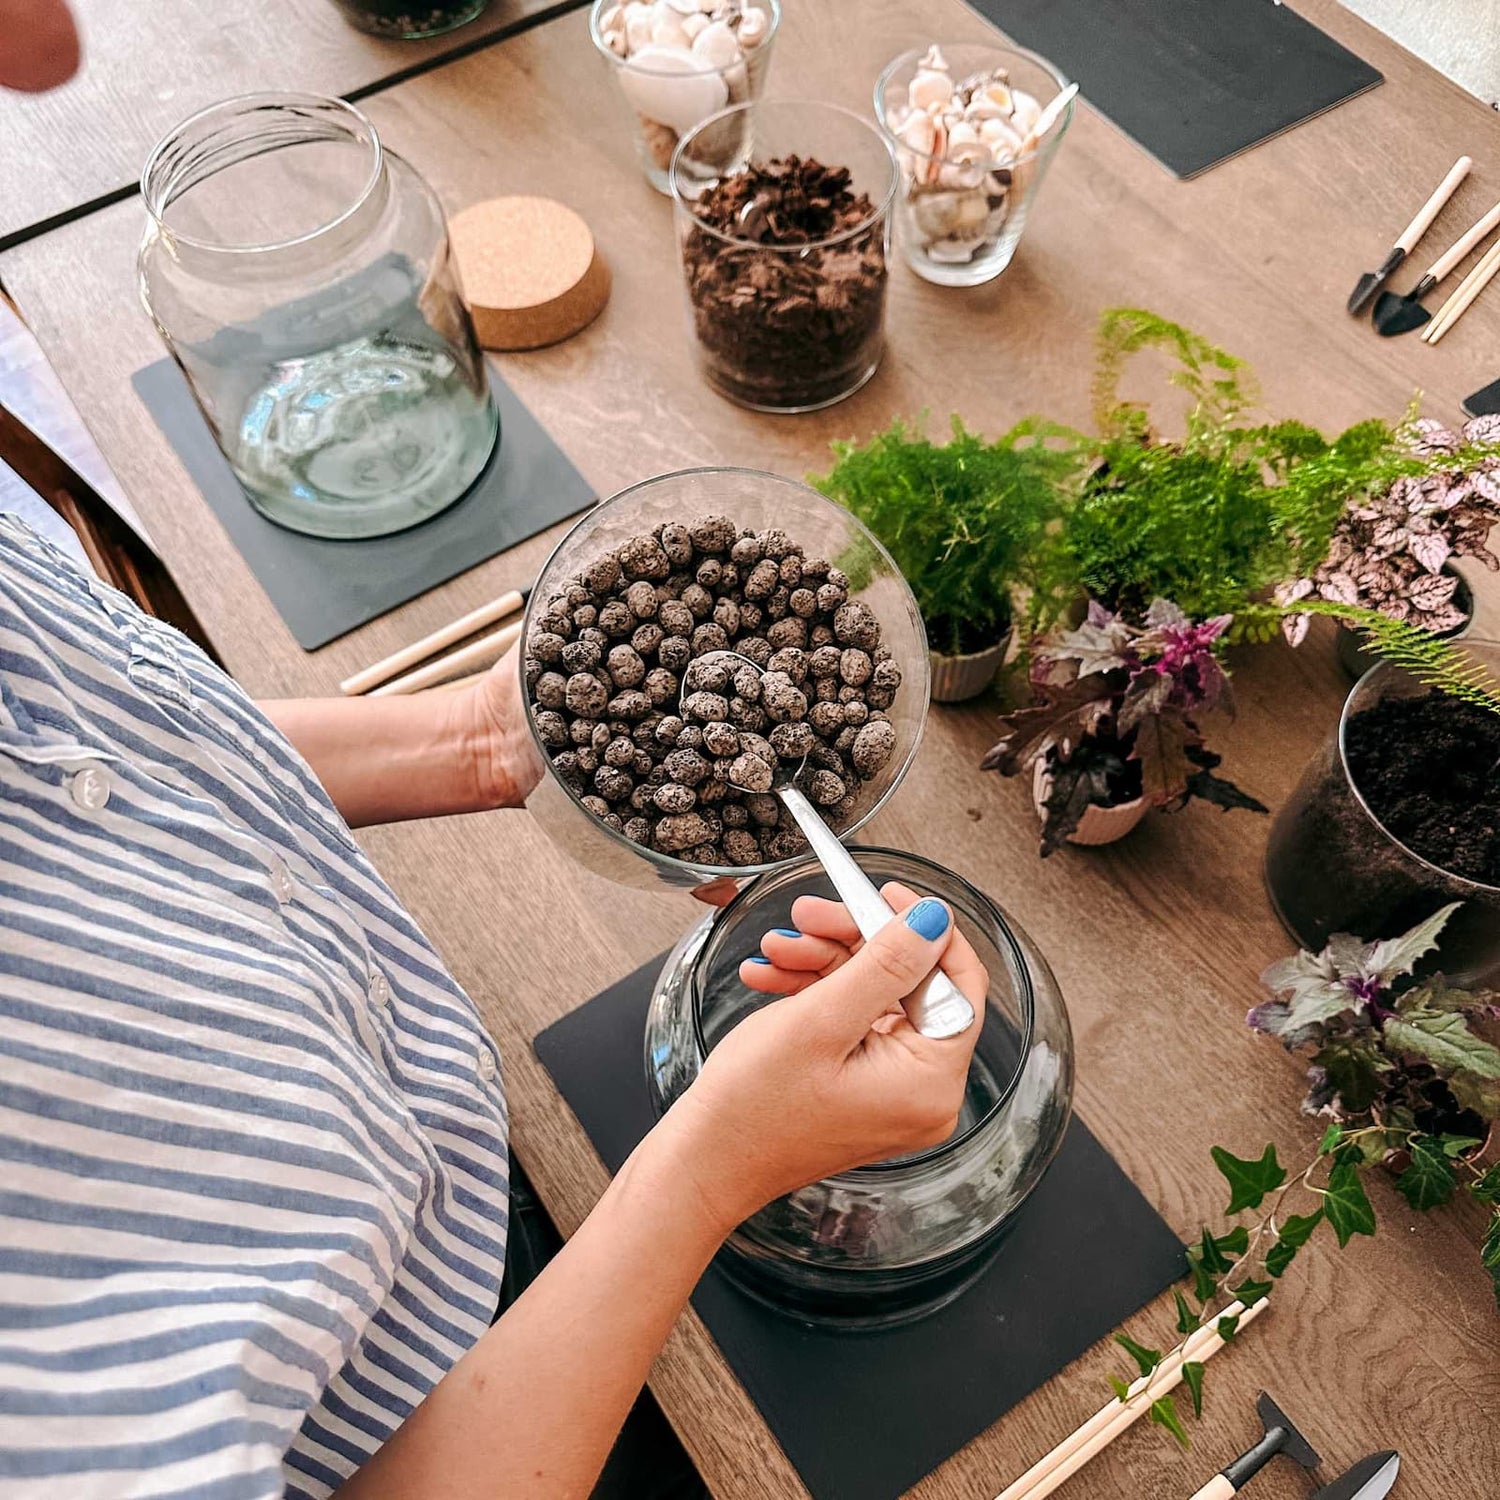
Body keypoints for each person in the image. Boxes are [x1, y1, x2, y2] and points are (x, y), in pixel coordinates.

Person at [0, 11, 988, 1496]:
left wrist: (474, 741)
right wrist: (715, 1168)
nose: (56, 51)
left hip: (460, 1143)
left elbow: (86, 752)